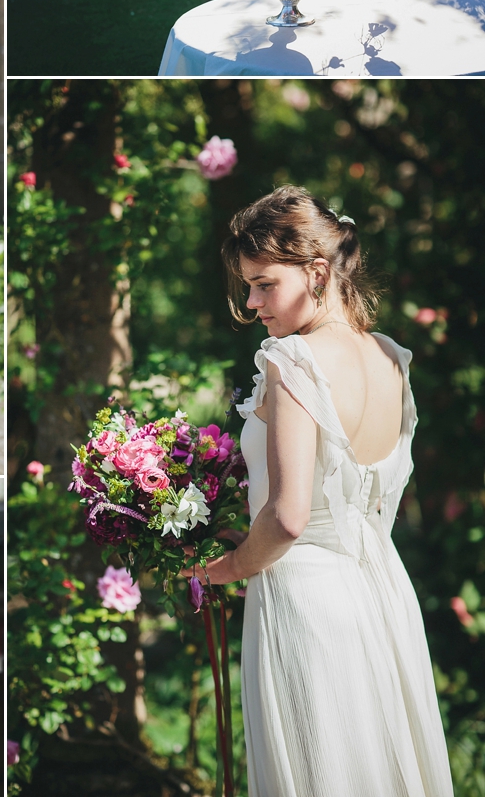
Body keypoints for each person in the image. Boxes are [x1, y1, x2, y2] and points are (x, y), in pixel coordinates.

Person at [184, 185, 453, 796]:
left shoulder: (294, 359)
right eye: (247, 286)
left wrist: (225, 568)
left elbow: (287, 519)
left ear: (317, 272)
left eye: (263, 284)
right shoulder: (389, 358)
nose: (252, 303)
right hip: (379, 589)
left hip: (303, 597)